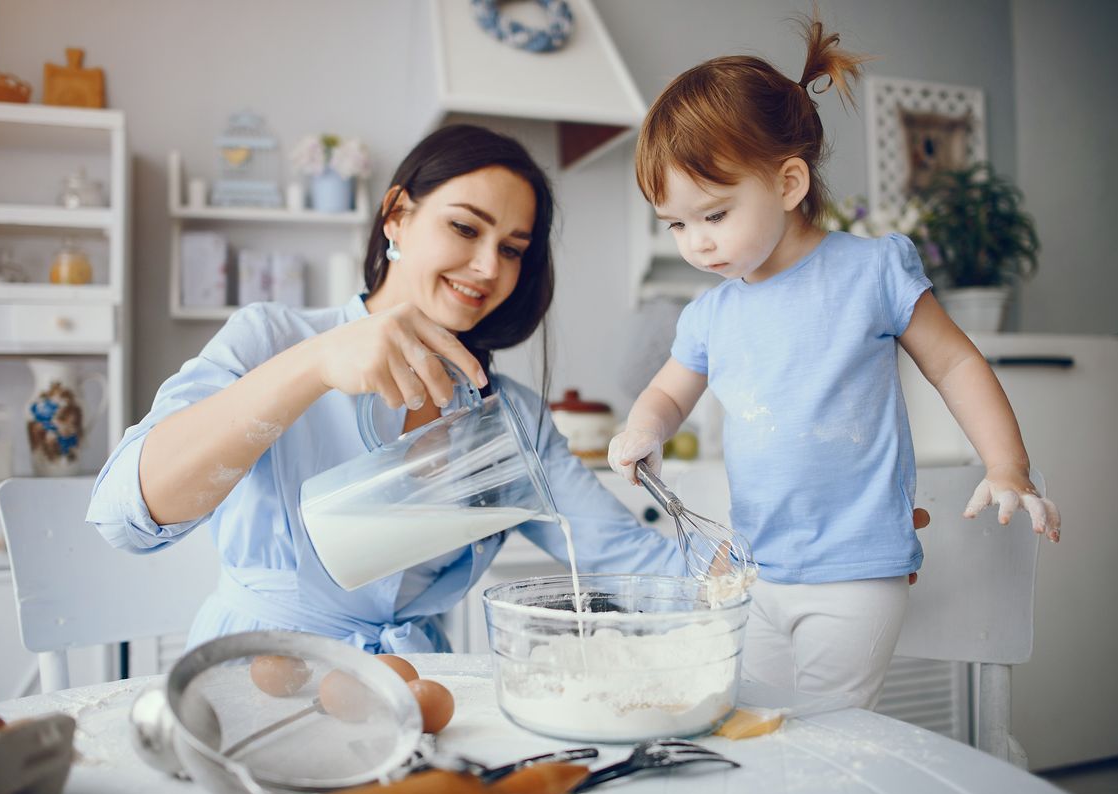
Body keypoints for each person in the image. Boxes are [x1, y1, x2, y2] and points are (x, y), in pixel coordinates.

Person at [87, 124, 692, 654]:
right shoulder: (271, 339)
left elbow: (625, 559)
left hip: (414, 684)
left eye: (511, 250)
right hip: (254, 674)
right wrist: (314, 365)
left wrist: (761, 580)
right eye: (464, 227)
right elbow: (125, 518)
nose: (488, 267)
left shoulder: (509, 415)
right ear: (397, 214)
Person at [607, 14, 1061, 708]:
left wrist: (1008, 466)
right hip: (754, 572)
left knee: (830, 741)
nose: (695, 243)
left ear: (788, 183)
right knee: (756, 726)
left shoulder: (870, 272)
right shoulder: (711, 313)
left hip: (855, 572)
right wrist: (644, 428)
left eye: (714, 214)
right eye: (677, 223)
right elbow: (668, 395)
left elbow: (957, 365)